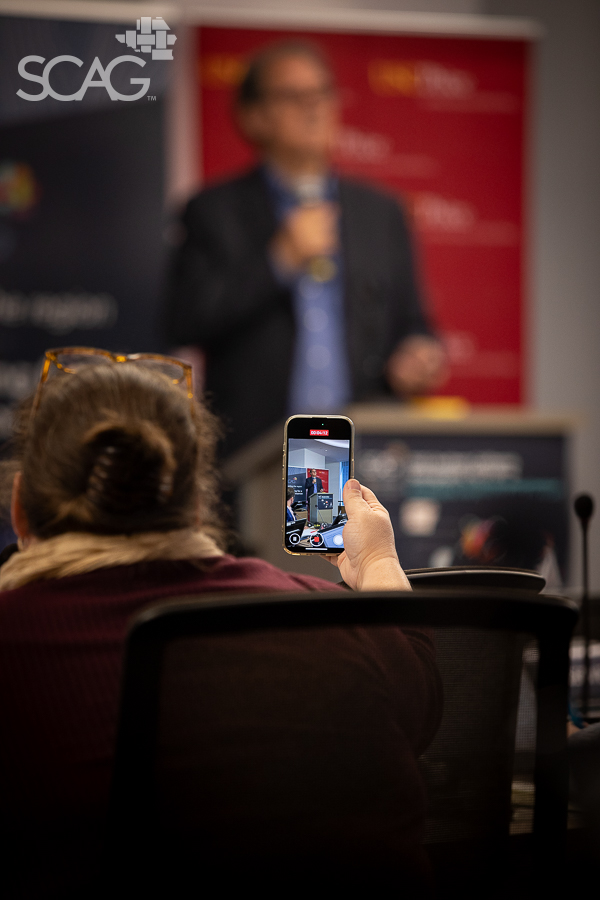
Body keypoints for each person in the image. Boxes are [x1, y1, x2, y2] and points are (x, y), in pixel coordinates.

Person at [0, 348, 442, 897]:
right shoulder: (333, 622)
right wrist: (376, 562)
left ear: (20, 510)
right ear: (194, 507)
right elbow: (421, 694)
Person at [165, 40, 446, 456]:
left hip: (363, 445)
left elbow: (413, 323)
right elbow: (184, 320)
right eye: (294, 96)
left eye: (322, 93)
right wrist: (277, 261)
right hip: (257, 449)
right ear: (254, 116)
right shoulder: (213, 210)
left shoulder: (380, 212)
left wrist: (417, 354)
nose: (314, 108)